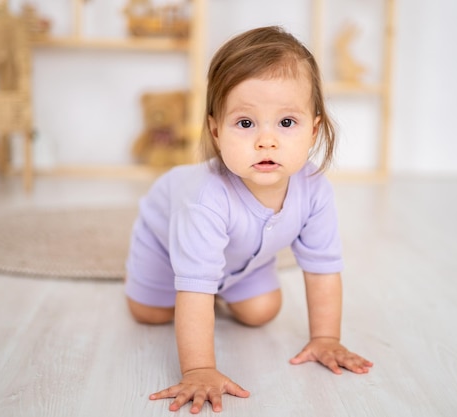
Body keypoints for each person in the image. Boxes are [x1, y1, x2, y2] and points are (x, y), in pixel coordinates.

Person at [124, 25, 373, 414]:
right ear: (215, 131)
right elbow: (192, 288)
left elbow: (323, 268)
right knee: (150, 313)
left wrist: (326, 337)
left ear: (314, 129)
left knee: (262, 312)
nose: (266, 141)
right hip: (164, 244)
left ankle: (220, 289)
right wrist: (200, 368)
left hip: (244, 259)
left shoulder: (315, 190)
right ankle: (207, 289)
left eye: (286, 123)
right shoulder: (205, 198)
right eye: (245, 123)